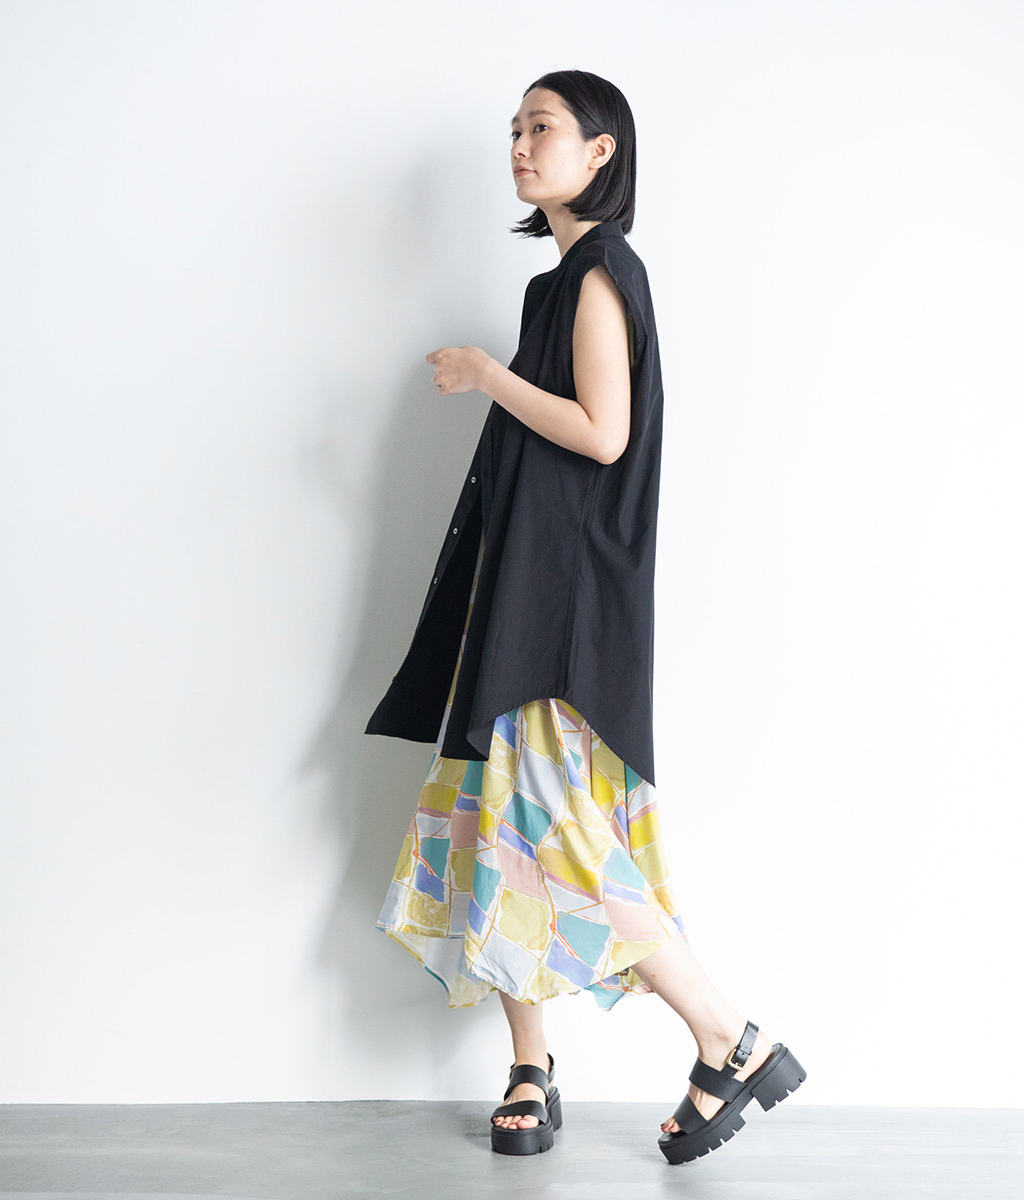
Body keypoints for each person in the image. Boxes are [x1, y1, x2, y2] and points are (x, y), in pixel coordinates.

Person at [366, 69, 806, 1164]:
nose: (521, 145)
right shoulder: (555, 284)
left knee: (552, 826)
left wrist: (486, 375)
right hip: (523, 591)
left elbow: (602, 433)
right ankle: (533, 1064)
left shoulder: (603, 270)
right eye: (514, 129)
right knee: (501, 820)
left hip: (560, 612)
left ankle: (728, 1036)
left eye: (544, 127)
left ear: (600, 152)